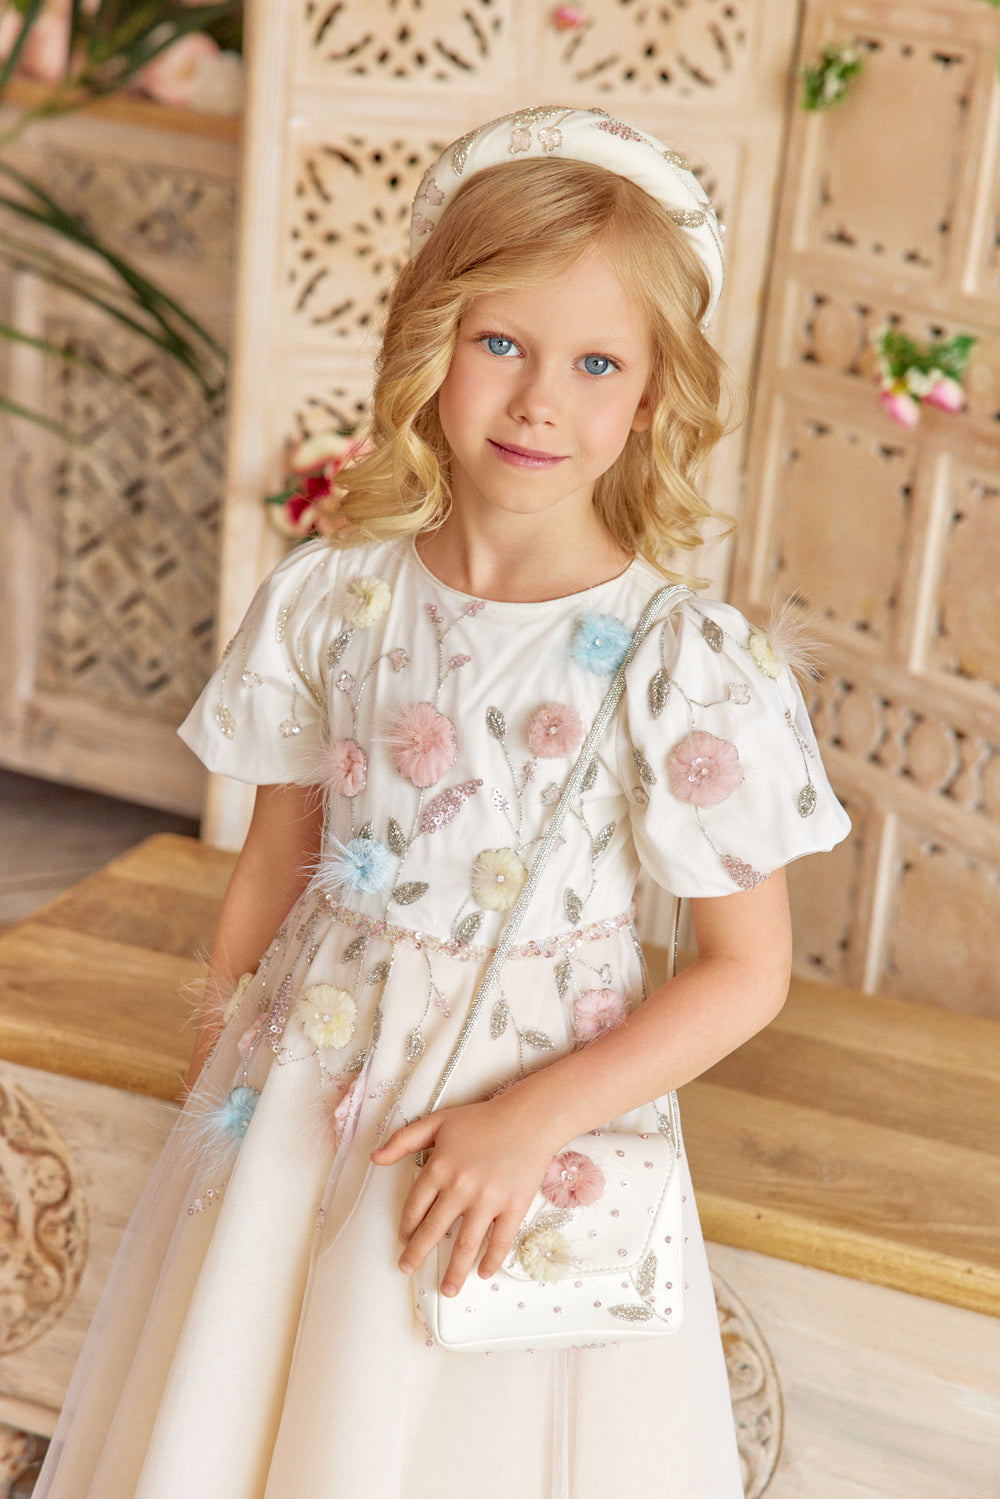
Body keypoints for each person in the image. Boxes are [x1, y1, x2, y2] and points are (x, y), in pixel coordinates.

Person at [35, 106, 849, 1499]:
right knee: (259, 1396)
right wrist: (224, 1067)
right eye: (501, 344)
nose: (541, 399)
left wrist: (533, 1120)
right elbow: (274, 865)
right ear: (430, 342)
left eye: (596, 362)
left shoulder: (684, 661)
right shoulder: (334, 598)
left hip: (534, 1112)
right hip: (303, 1095)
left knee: (445, 1422)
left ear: (650, 397)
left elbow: (746, 971)